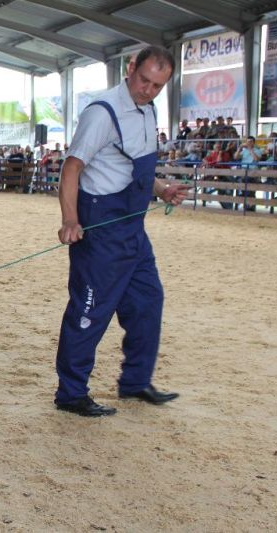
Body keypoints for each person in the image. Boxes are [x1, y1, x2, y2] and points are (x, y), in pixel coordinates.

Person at [55, 46, 189, 417]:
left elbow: (134, 168)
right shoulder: (102, 112)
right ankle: (70, 393)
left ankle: (135, 382)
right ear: (130, 68)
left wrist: (162, 190)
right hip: (100, 224)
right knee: (90, 309)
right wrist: (70, 219)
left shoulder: (149, 109)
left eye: (158, 85)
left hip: (133, 225)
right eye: (144, 79)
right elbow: (71, 168)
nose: (148, 90)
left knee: (148, 301)